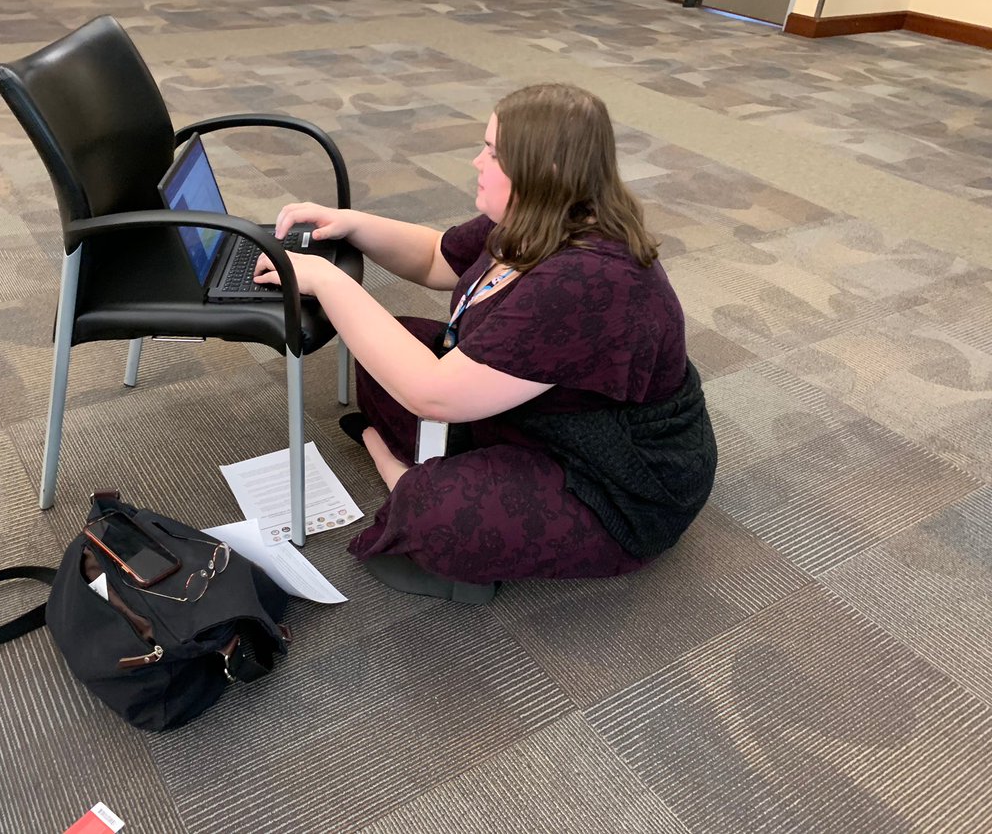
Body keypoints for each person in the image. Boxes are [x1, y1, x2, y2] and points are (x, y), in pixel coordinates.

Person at [254, 83, 716, 604]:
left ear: (546, 171)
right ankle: (418, 467)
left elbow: (433, 393)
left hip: (617, 477)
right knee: (393, 344)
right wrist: (354, 225)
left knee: (437, 514)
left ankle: (405, 478)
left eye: (494, 153)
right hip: (538, 413)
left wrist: (327, 280)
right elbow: (436, 257)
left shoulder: (587, 279)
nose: (477, 160)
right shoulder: (540, 216)